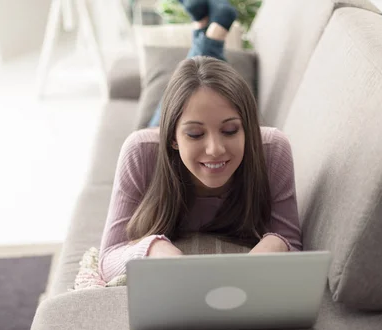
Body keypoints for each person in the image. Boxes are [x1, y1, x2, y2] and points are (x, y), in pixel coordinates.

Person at [98, 0, 303, 282]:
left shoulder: (273, 150)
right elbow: (108, 259)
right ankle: (211, 30)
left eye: (231, 131)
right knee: (180, 95)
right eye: (195, 134)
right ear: (172, 138)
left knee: (203, 85)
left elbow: (291, 239)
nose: (215, 149)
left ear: (248, 129)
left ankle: (206, 29)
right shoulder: (142, 151)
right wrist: (155, 249)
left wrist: (273, 246)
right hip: (157, 133)